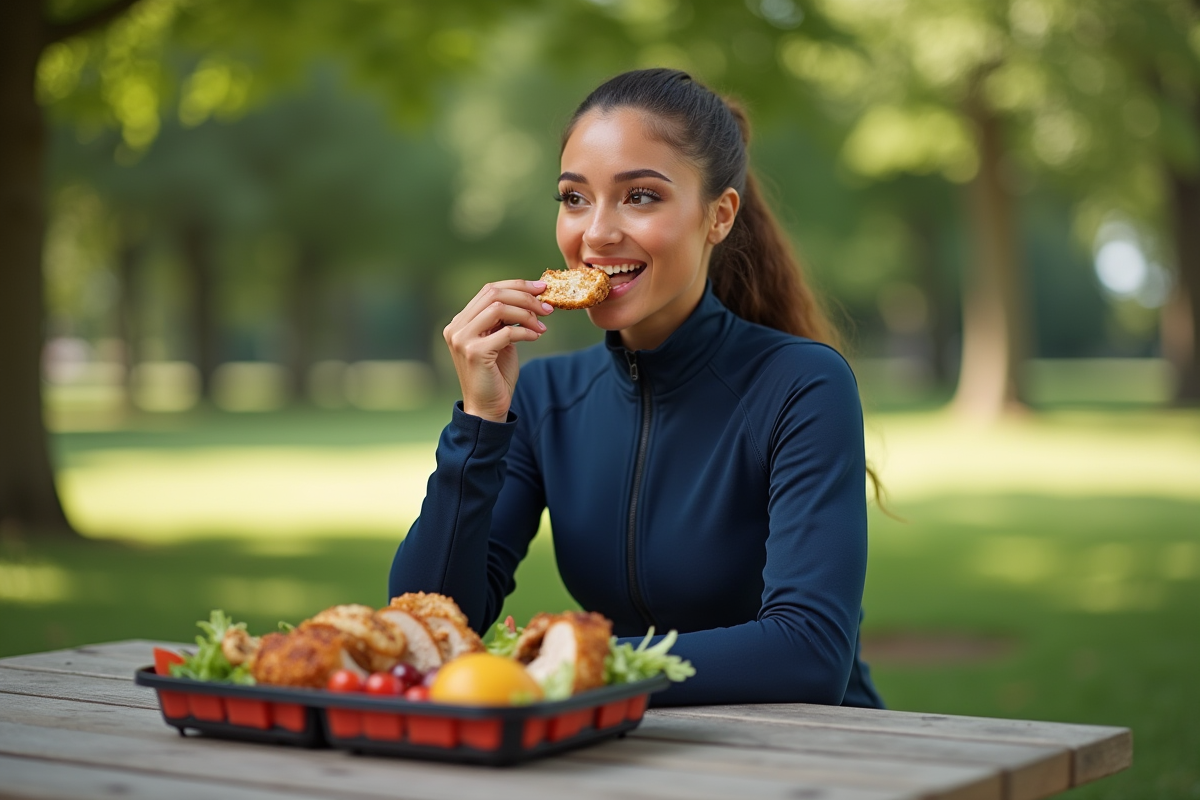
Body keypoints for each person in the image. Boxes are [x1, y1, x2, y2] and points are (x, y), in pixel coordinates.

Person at [388, 68, 884, 708]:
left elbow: (809, 652)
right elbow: (427, 630)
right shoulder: (544, 396)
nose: (595, 233)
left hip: (818, 748)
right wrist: (479, 424)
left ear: (718, 216)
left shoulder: (802, 385)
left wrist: (575, 666)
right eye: (574, 198)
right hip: (630, 744)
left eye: (640, 196)